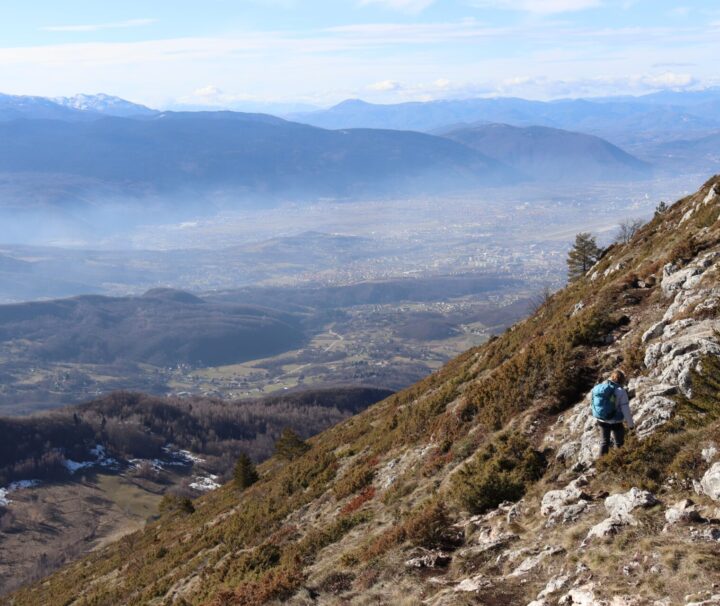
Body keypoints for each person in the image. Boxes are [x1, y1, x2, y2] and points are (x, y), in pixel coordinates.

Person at [591, 369, 635, 456]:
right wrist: (631, 426)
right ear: (622, 380)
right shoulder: (621, 391)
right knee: (619, 443)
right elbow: (625, 410)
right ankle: (618, 462)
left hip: (601, 419)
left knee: (604, 442)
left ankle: (602, 464)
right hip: (615, 421)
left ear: (611, 378)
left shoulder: (601, 388)